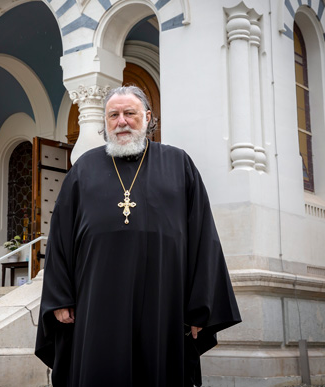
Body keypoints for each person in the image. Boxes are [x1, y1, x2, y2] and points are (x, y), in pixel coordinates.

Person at [34, 85, 241, 387]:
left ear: (147, 117)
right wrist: (60, 296)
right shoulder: (83, 169)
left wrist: (201, 308)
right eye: (113, 115)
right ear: (105, 123)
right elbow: (60, 238)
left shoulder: (178, 163)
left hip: (164, 301)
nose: (121, 121)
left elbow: (203, 237)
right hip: (95, 301)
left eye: (129, 113)